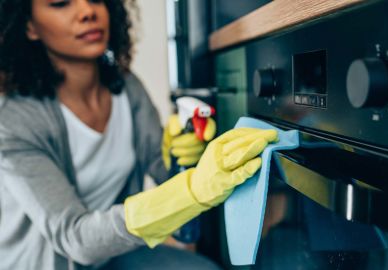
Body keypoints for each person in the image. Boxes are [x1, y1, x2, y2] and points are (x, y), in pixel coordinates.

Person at [0, 0, 278, 269]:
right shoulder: (12, 123)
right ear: (29, 27)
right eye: (61, 3)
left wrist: (184, 157)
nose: (87, 11)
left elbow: (161, 168)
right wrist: (193, 189)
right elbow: (77, 239)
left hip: (114, 255)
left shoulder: (126, 86)